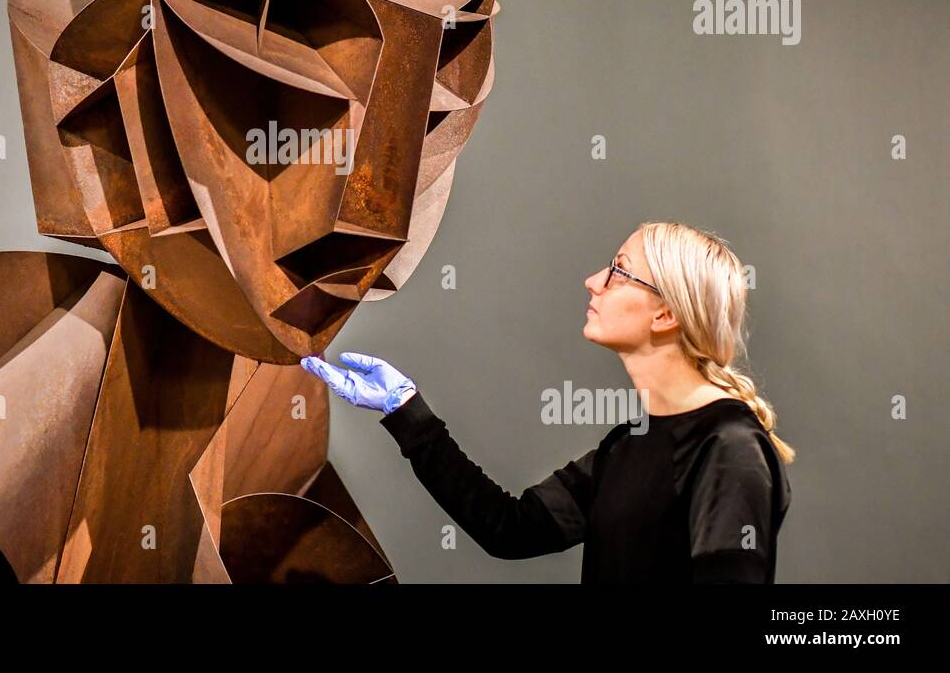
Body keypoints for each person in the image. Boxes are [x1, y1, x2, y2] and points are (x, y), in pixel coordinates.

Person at [302, 220, 794, 583]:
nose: (593, 282)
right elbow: (510, 529)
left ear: (666, 312)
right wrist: (404, 408)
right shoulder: (628, 444)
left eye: (618, 271)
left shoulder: (729, 448)